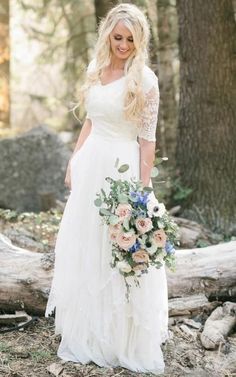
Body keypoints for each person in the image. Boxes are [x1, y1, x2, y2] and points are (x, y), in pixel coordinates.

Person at [45, 3, 169, 375]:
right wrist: (74, 158)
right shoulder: (95, 71)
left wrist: (142, 191)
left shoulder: (145, 80)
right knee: (87, 245)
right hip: (91, 168)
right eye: (117, 37)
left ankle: (119, 338)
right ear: (107, 36)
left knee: (117, 249)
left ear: (140, 40)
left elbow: (147, 141)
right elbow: (90, 121)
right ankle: (89, 332)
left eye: (130, 39)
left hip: (121, 168)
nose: (123, 45)